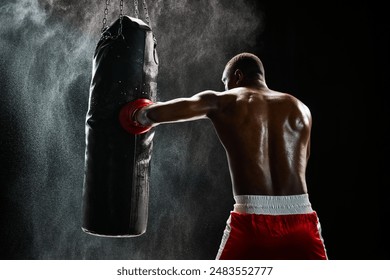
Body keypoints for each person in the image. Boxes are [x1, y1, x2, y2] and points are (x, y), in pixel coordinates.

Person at [122, 52, 328, 259]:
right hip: (301, 219)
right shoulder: (301, 108)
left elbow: (154, 114)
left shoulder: (223, 101)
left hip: (252, 220)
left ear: (237, 76)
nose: (225, 88)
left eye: (226, 82)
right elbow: (303, 158)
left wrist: (134, 114)